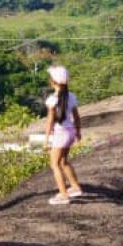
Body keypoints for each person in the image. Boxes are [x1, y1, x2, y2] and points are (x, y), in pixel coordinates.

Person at [44, 65, 83, 206]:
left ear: (53, 82)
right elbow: (76, 117)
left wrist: (46, 139)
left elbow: (49, 121)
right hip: (70, 132)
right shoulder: (71, 97)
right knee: (63, 162)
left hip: (60, 134)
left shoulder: (52, 99)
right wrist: (78, 132)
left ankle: (64, 195)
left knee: (54, 164)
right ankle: (75, 187)